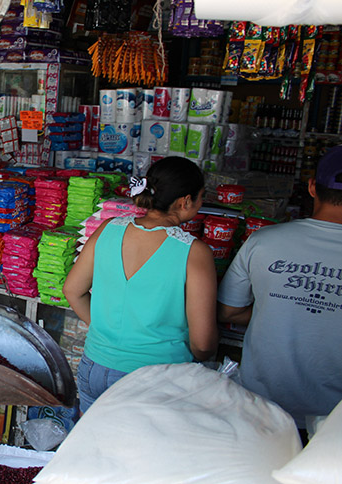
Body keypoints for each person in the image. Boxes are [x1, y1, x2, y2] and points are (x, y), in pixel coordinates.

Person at [62, 157, 218, 414]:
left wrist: (107, 333)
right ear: (185, 201)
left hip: (95, 367)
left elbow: (72, 290)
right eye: (201, 197)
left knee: (94, 439)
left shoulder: (108, 229)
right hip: (156, 378)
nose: (201, 204)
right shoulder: (194, 252)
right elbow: (202, 344)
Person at [218, 145, 342, 433]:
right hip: (332, 426)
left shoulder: (264, 240)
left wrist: (278, 309)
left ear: (312, 187)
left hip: (260, 410)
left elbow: (228, 311)